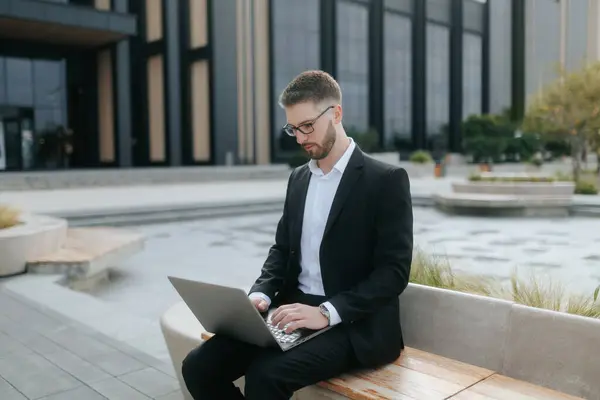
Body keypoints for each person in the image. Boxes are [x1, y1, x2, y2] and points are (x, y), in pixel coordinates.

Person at [181, 70, 414, 399]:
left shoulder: (385, 180)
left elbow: (394, 273)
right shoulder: (299, 179)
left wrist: (325, 313)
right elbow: (282, 250)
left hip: (353, 324)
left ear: (336, 114)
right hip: (292, 311)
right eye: (293, 128)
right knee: (198, 365)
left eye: (308, 126)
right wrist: (260, 294)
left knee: (266, 376)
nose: (301, 138)